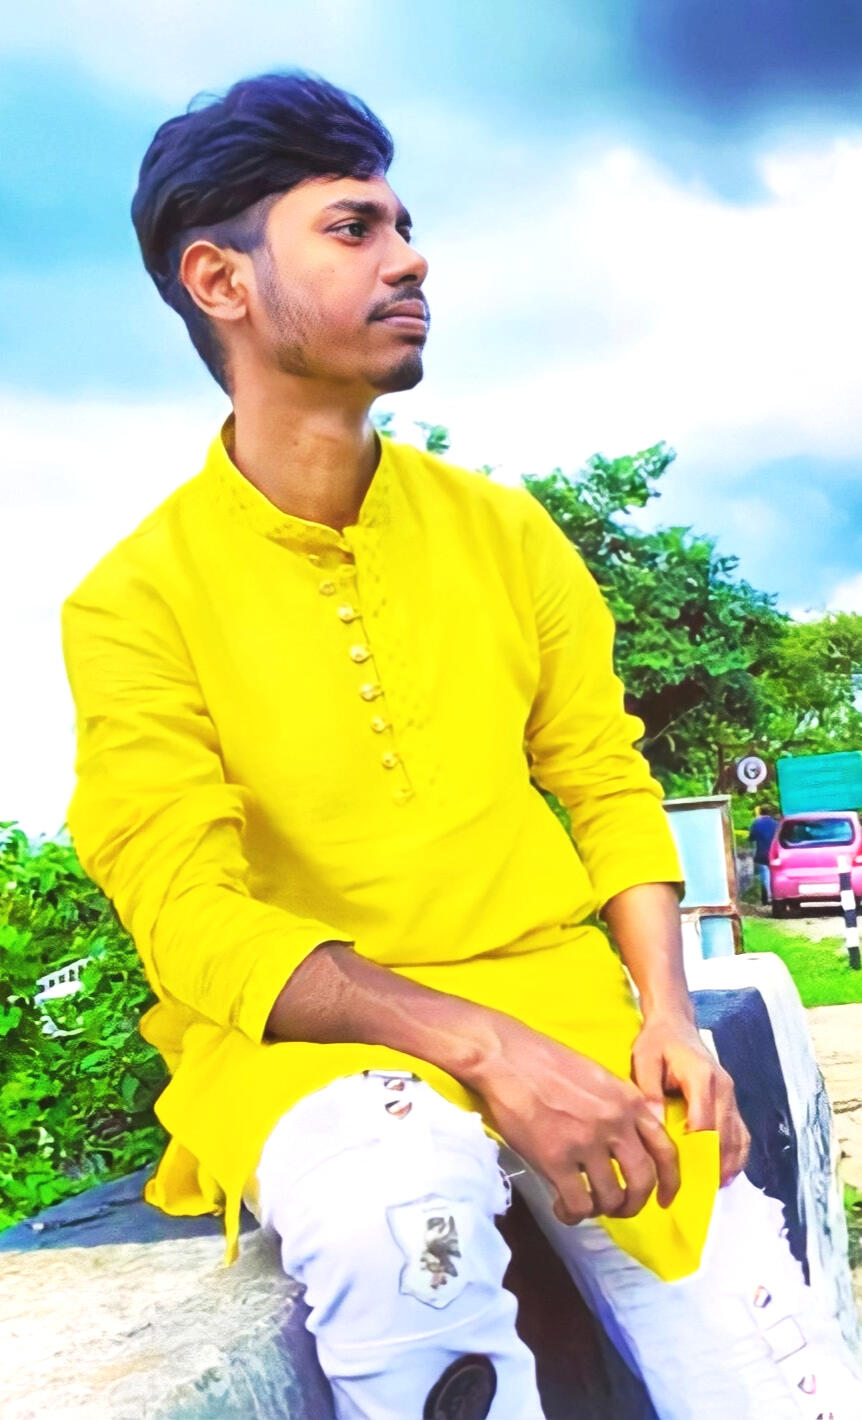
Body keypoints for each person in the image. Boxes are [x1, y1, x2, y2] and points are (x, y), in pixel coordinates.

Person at [60, 73, 862, 1420]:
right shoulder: (132, 602)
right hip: (314, 1054)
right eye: (352, 227)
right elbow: (188, 915)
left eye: (405, 225)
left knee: (775, 1376)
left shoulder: (505, 534)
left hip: (568, 1011)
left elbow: (603, 780)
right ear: (220, 280)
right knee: (397, 1216)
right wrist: (483, 1052)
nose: (410, 257)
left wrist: (666, 1019)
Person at [749, 804, 780, 905]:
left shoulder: (756, 823)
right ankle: (776, 896)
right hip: (775, 853)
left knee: (765, 875)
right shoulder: (777, 824)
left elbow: (751, 838)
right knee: (775, 874)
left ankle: (766, 898)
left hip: (761, 853)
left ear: (760, 812)